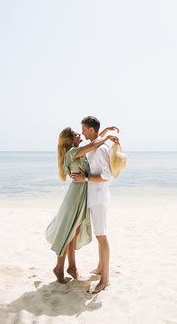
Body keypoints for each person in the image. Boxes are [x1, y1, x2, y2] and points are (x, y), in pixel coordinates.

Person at [45, 127, 119, 283]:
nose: (81, 135)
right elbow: (93, 145)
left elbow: (93, 142)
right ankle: (59, 268)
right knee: (68, 231)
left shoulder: (77, 151)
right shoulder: (72, 152)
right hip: (75, 195)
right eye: (78, 135)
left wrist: (104, 132)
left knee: (75, 232)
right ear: (72, 140)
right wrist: (106, 137)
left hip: (82, 193)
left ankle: (72, 267)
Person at [70, 116, 119, 294]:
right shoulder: (96, 145)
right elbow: (94, 142)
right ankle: (100, 268)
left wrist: (86, 178)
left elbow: (108, 175)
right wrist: (105, 132)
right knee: (100, 235)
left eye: (84, 129)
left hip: (99, 198)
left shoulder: (102, 149)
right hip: (94, 196)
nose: (82, 132)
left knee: (101, 236)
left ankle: (105, 280)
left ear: (91, 130)